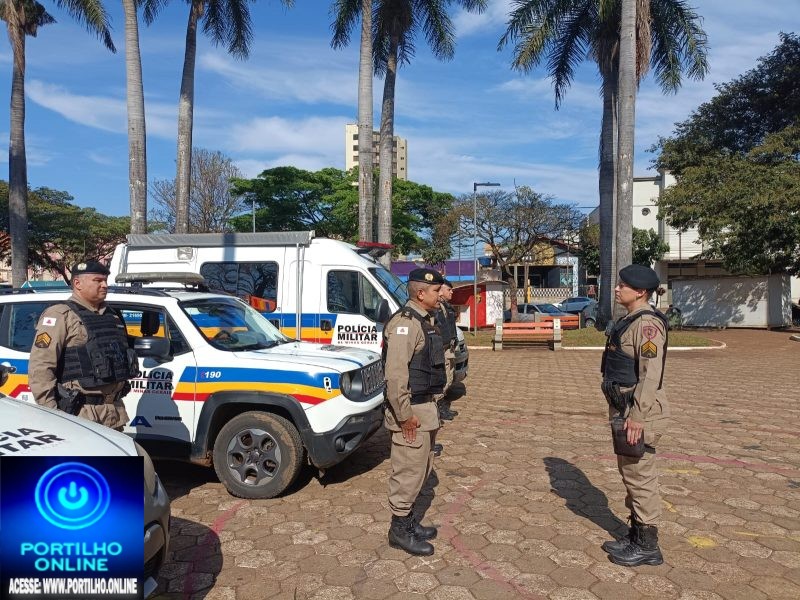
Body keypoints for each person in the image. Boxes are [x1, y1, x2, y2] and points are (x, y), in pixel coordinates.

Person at [600, 264, 670, 567]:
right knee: (630, 472)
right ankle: (635, 533)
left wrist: (637, 417)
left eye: (623, 285)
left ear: (640, 291)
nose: (617, 289)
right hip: (625, 407)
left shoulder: (648, 326)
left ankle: (647, 546)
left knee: (641, 476)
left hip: (639, 411)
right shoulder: (629, 320)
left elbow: (649, 375)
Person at [28, 260, 139, 431]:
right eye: (98, 280)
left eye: (105, 281)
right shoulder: (61, 315)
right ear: (78, 283)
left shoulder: (112, 315)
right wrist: (51, 413)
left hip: (113, 413)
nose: (104, 285)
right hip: (79, 414)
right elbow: (41, 367)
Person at [383, 267, 446, 556]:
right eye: (435, 290)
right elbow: (396, 377)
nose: (440, 295)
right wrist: (405, 416)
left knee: (421, 468)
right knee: (408, 472)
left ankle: (408, 522)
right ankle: (398, 531)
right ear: (421, 293)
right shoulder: (405, 325)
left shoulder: (424, 320)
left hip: (425, 409)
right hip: (411, 413)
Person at [434, 279, 458, 422]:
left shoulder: (445, 306)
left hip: (449, 346)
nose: (452, 292)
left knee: (448, 378)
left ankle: (441, 407)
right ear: (441, 291)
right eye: (449, 290)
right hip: (442, 348)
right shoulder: (436, 306)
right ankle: (438, 409)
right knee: (443, 379)